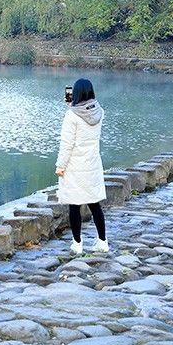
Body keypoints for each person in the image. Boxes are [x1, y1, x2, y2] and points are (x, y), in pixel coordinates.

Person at [56, 77, 108, 254]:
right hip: (92, 164)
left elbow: (67, 144)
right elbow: (86, 113)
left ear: (76, 94)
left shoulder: (71, 116)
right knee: (95, 205)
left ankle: (77, 245)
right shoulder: (100, 112)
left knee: (74, 206)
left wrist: (60, 166)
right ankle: (103, 242)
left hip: (75, 167)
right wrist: (71, 106)